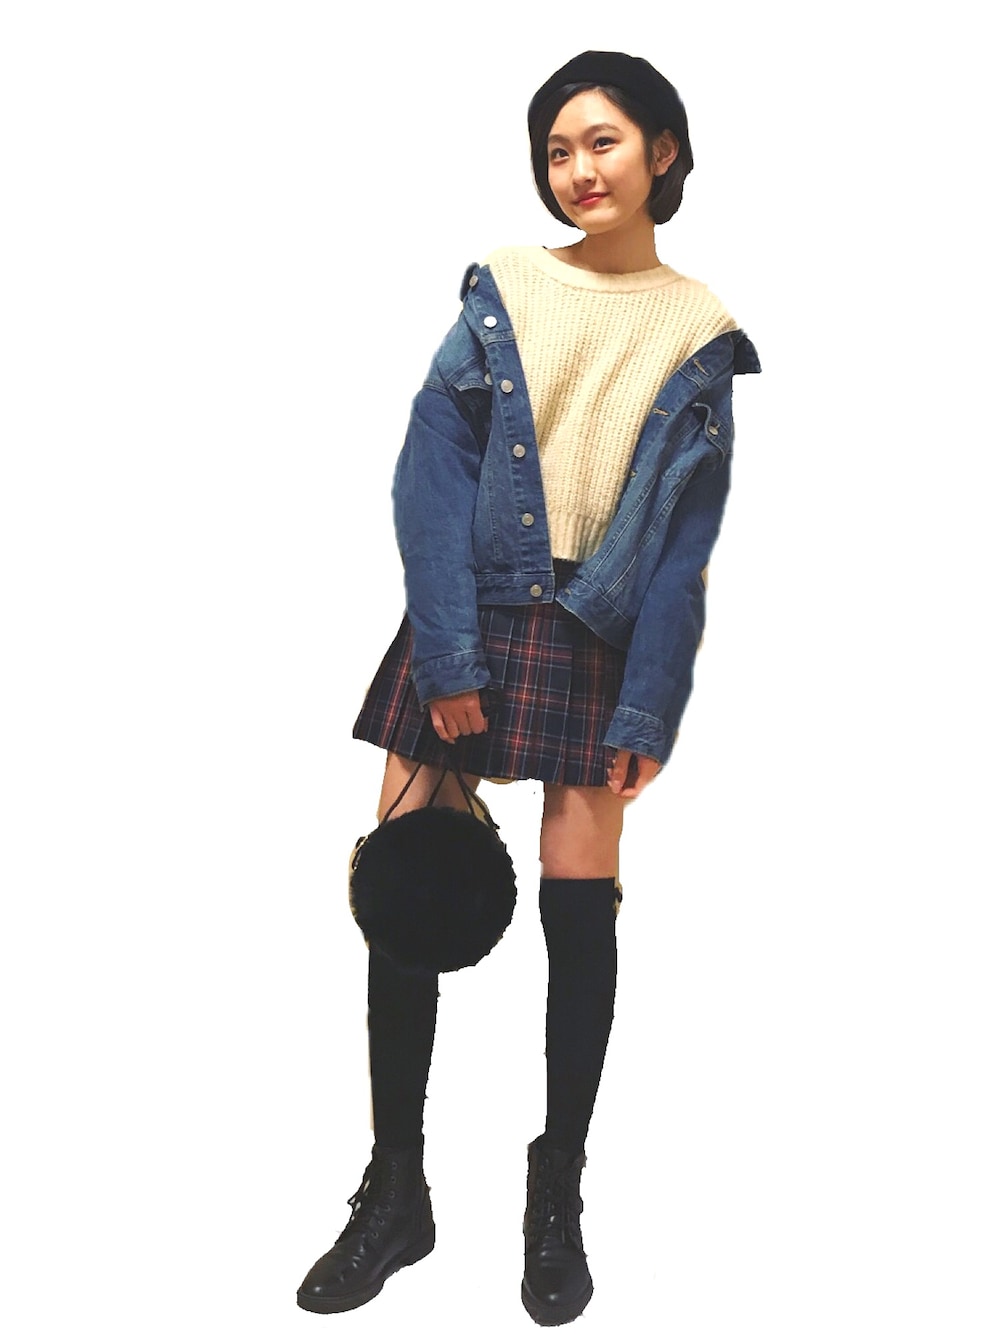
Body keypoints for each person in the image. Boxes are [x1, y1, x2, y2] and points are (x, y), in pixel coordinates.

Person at [297, 50, 760, 1325]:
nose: (578, 169)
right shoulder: (505, 284)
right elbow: (429, 468)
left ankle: (554, 1196)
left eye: (602, 141)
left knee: (581, 906)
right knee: (405, 887)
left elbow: (684, 544)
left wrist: (650, 702)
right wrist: (448, 650)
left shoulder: (700, 331)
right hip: (471, 602)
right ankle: (397, 1190)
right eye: (558, 149)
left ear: (664, 149)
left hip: (596, 624)